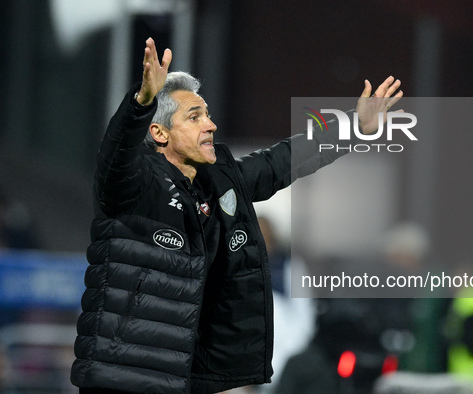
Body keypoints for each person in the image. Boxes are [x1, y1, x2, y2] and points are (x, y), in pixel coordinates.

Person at [70, 37, 403, 394]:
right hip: (123, 378)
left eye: (208, 115)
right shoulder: (134, 184)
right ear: (159, 132)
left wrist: (352, 128)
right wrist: (141, 103)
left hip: (187, 379)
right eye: (194, 117)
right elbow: (115, 154)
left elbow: (284, 159)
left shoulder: (220, 182)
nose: (210, 125)